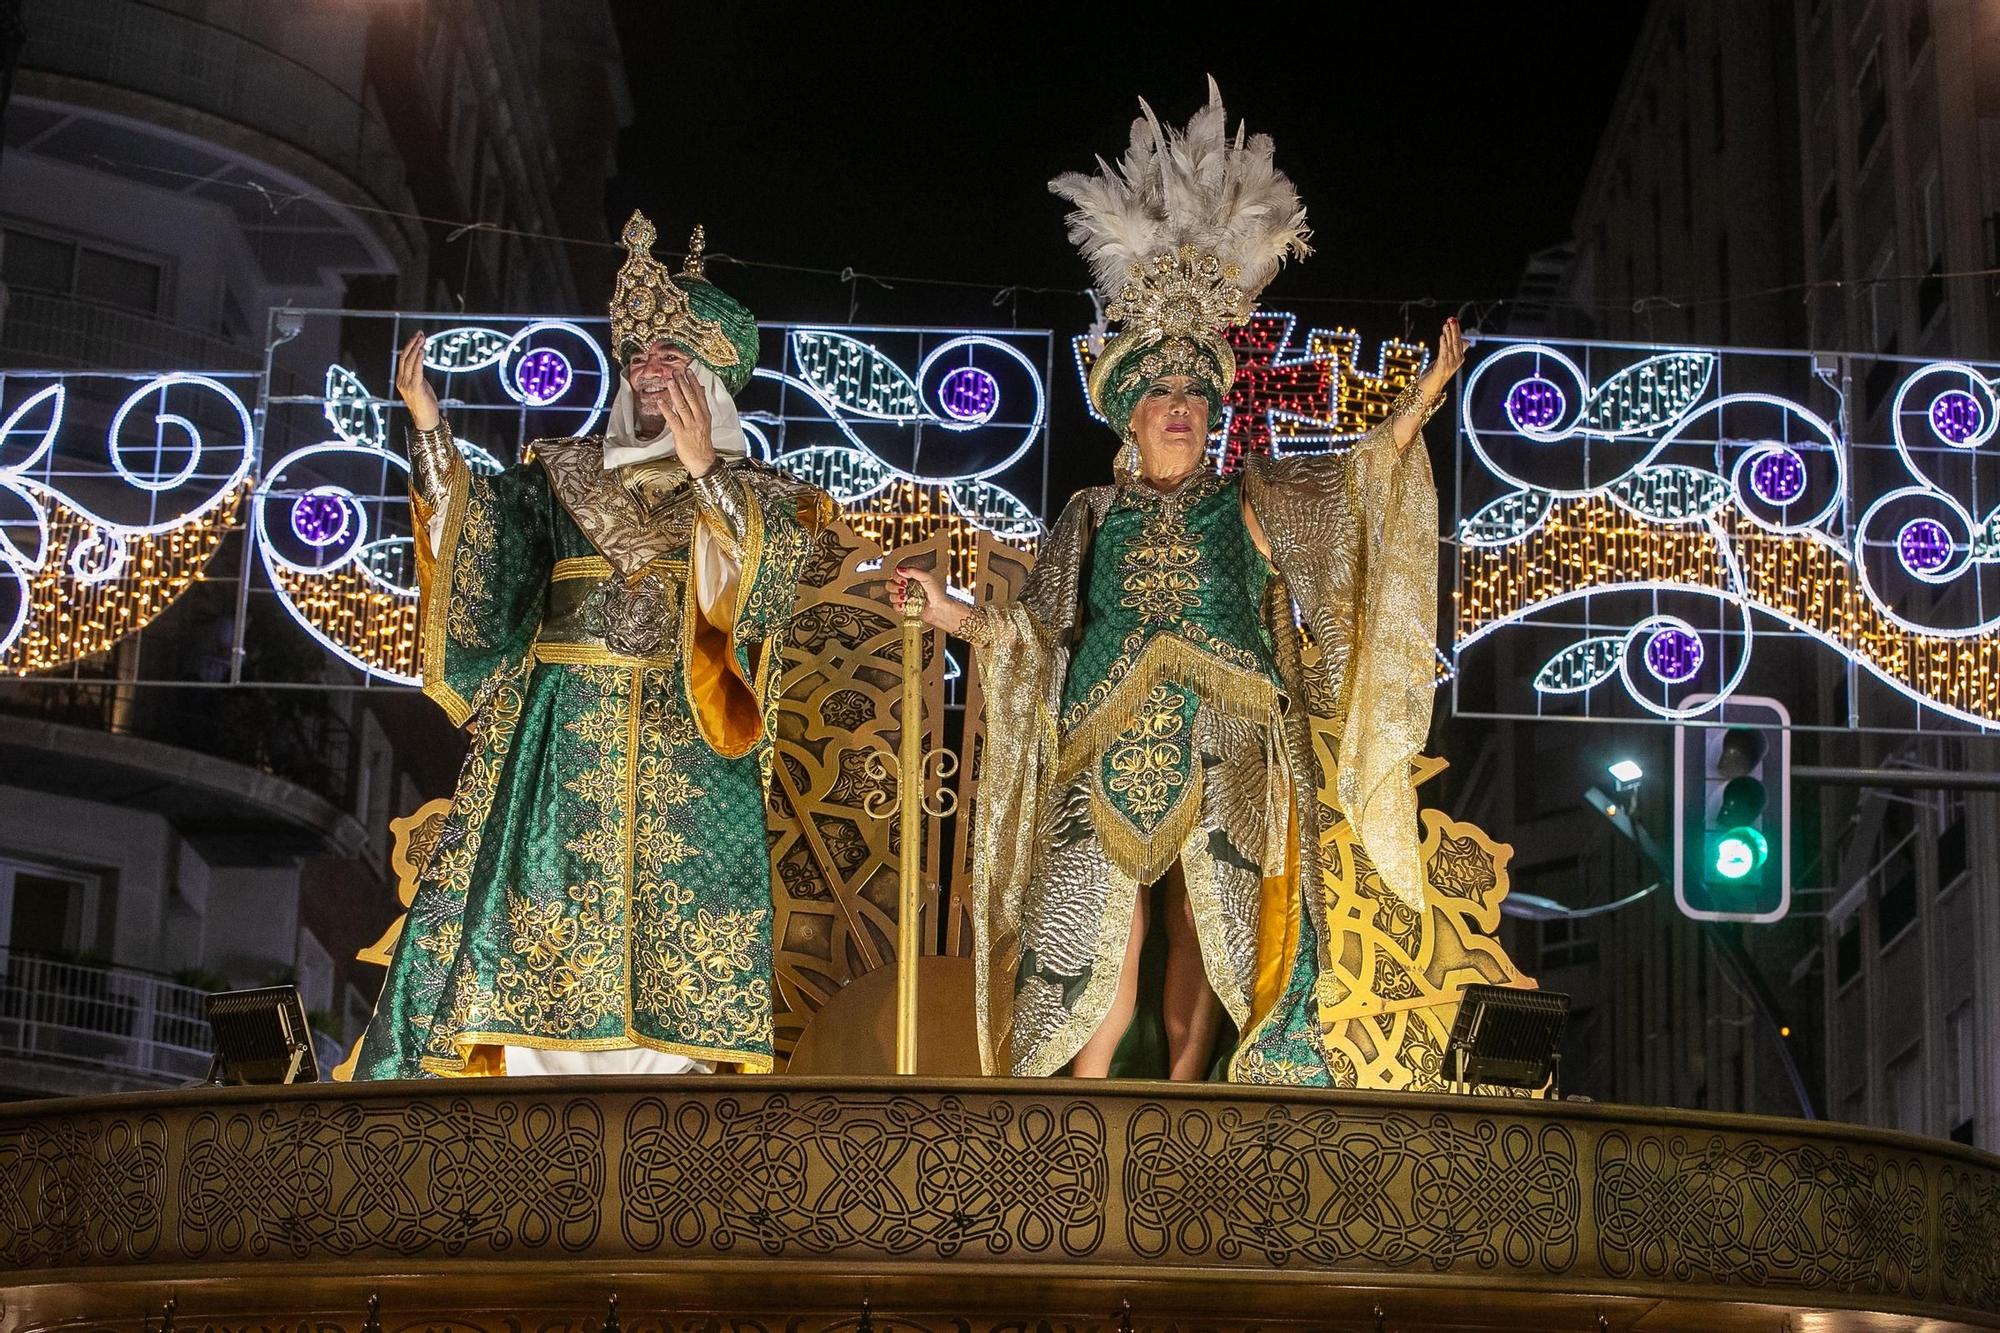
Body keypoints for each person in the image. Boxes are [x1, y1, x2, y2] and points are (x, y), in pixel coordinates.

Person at [897, 83, 1461, 1084]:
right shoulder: (1090, 514)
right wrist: (944, 611)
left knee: (1213, 931)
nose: (1179, 409)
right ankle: (1075, 1117)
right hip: (1100, 733)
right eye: (1159, 392)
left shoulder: (1246, 498)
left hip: (1227, 734)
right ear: (1128, 412)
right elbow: (1032, 634)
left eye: (1194, 396)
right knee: (1092, 943)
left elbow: (1344, 490)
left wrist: (1405, 422)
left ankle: (1192, 1106)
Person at [353, 212, 834, 1078]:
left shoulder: (766, 497)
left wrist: (705, 475)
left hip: (688, 743)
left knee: (673, 941)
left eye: (673, 356)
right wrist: (429, 428)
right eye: (639, 355)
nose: (651, 372)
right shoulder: (562, 474)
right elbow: (482, 545)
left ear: (716, 376)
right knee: (542, 925)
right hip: (561, 742)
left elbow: (761, 598)